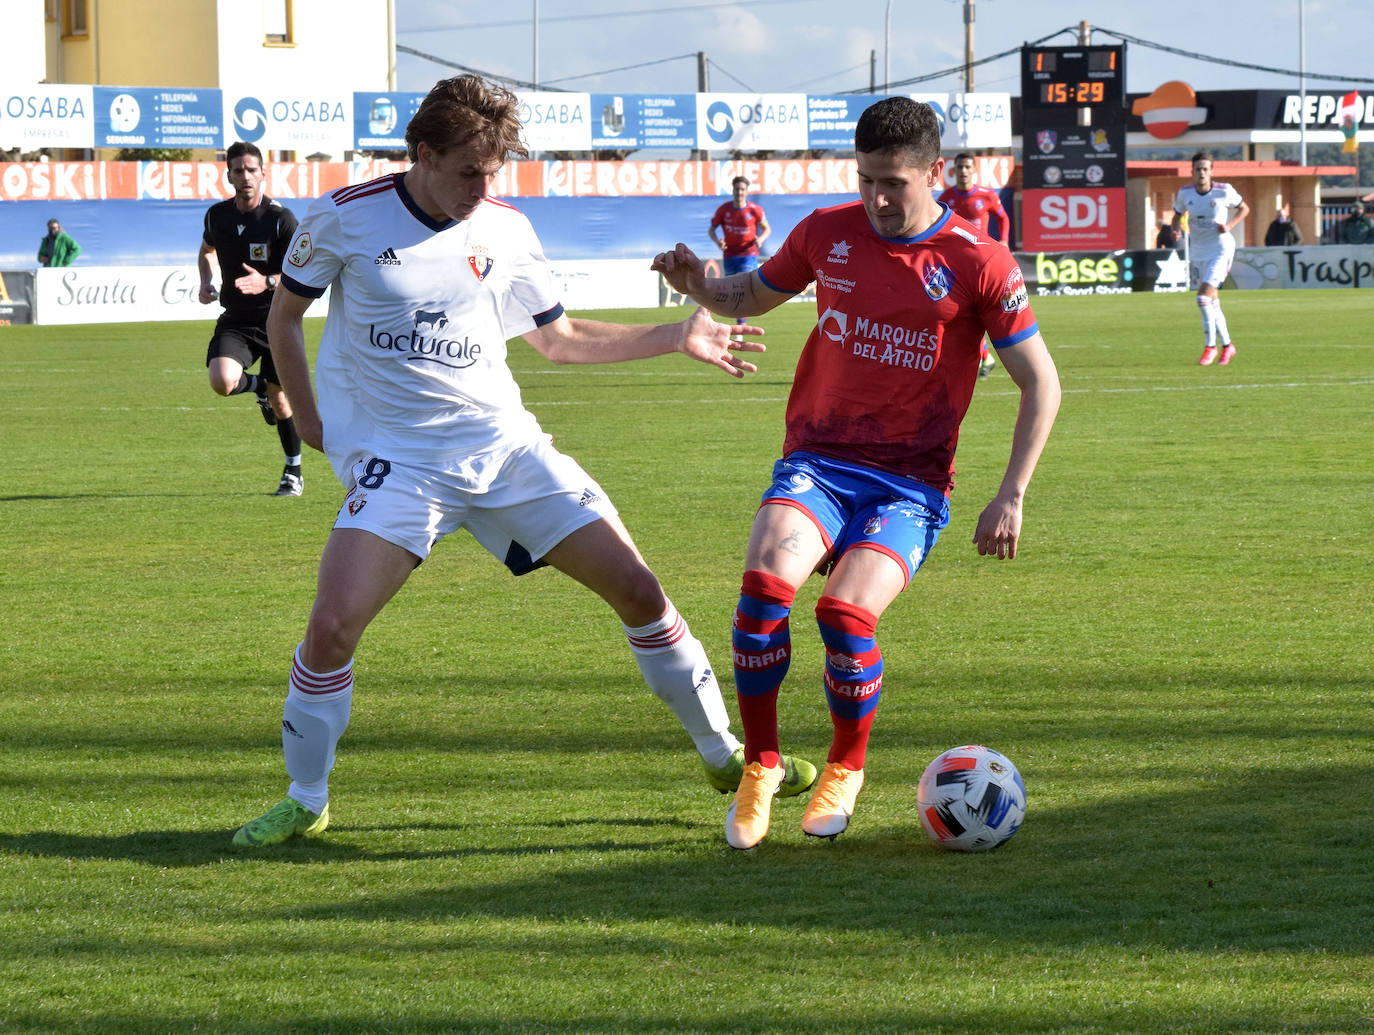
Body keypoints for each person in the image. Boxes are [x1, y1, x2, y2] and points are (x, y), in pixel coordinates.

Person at [231, 74, 816, 849]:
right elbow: (285, 313)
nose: (483, 186)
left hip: (507, 452)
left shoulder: (506, 229)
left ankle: (726, 757)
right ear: (423, 153)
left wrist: (676, 335)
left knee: (639, 588)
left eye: (495, 171)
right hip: (402, 465)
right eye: (469, 170)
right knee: (332, 625)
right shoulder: (344, 219)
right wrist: (307, 415)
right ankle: (307, 797)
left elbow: (557, 338)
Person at [652, 96, 1061, 850]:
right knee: (762, 592)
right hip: (819, 460)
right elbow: (747, 296)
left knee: (844, 616)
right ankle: (763, 764)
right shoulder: (825, 233)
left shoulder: (979, 261)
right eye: (866, 179)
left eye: (894, 184)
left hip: (909, 483)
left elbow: (1043, 382)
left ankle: (845, 765)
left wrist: (1012, 494)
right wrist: (697, 284)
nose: (876, 198)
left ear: (934, 173)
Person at [198, 141, 306, 496]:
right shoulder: (217, 216)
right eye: (238, 170)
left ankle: (293, 472)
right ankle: (258, 386)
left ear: (263, 174)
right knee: (221, 381)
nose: (245, 176)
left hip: (278, 317)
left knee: (282, 401)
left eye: (251, 170)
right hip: (237, 320)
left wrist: (268, 281)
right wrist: (205, 282)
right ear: (228, 175)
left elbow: (305, 270)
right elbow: (206, 251)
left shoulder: (280, 219)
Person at [1172, 151, 1250, 366]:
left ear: (1211, 172)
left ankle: (1210, 347)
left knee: (1202, 298)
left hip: (1221, 250)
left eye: (1205, 169)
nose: (1202, 173)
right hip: (1199, 252)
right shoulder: (1185, 193)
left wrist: (1230, 226)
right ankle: (1228, 346)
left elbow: (1244, 208)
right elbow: (1177, 215)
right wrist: (1175, 230)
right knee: (1212, 303)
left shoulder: (1224, 191)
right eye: (1198, 169)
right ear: (1192, 172)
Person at [937, 153, 1010, 377]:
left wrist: (1004, 241)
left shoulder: (986, 196)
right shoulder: (946, 197)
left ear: (973, 170)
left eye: (967, 167)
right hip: (955, 263)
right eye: (959, 167)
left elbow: (1003, 218)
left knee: (979, 311)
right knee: (963, 312)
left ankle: (984, 357)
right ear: (954, 170)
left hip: (981, 262)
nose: (963, 171)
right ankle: (983, 357)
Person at [709, 176, 770, 336]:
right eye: (737, 189)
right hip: (729, 255)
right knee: (731, 291)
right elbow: (711, 230)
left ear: (747, 191)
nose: (739, 192)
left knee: (742, 290)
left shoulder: (754, 210)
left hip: (748, 255)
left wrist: (761, 239)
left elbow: (767, 229)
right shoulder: (724, 210)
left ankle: (740, 330)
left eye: (742, 189)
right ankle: (733, 326)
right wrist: (718, 242)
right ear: (733, 190)